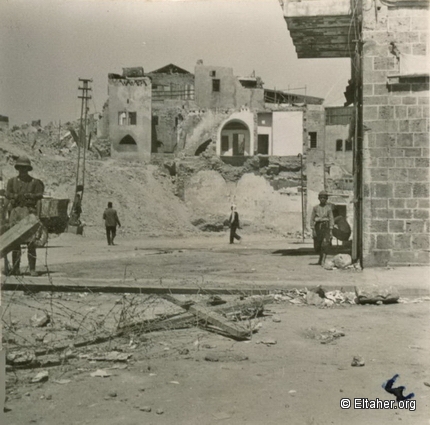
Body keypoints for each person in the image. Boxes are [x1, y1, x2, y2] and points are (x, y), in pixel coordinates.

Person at [5, 156, 45, 276]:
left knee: (31, 242)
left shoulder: (35, 182)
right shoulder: (12, 182)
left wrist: (30, 197)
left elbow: (39, 197)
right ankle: (16, 268)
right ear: (17, 168)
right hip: (16, 213)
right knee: (15, 242)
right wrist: (14, 198)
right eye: (20, 168)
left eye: (25, 168)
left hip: (29, 213)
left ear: (28, 169)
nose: (23, 170)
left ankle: (32, 269)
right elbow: (7, 196)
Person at [310, 190, 334, 266]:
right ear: (319, 198)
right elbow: (312, 219)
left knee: (325, 243)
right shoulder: (315, 208)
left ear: (326, 199)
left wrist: (331, 230)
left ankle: (323, 260)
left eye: (324, 198)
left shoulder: (329, 208)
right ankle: (320, 259)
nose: (322, 199)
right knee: (318, 244)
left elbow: (331, 218)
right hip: (318, 227)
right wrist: (313, 229)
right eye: (321, 198)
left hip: (326, 226)